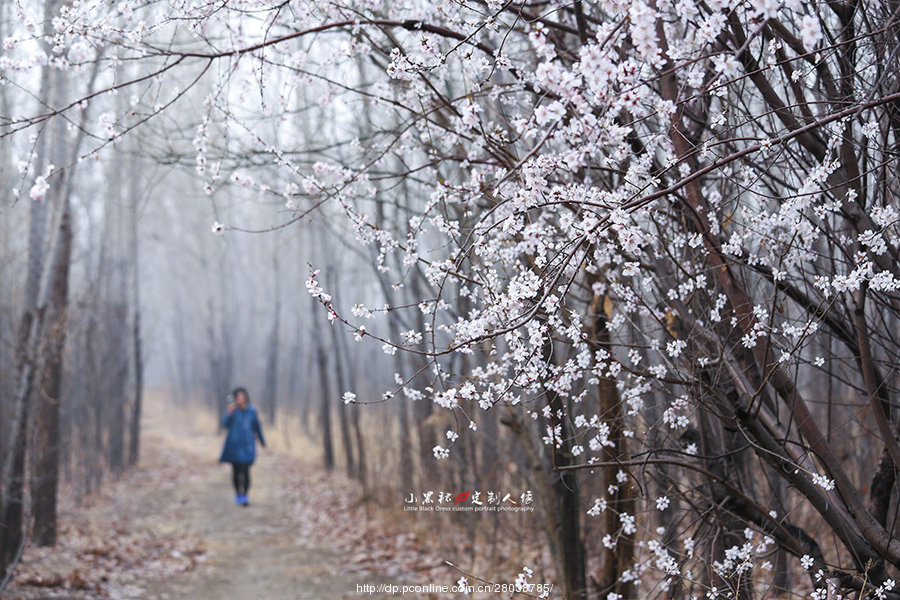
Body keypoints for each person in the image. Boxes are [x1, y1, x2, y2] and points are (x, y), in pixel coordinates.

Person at [219, 387, 266, 506]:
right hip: (234, 446)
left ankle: (244, 495)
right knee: (236, 472)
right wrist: (229, 414)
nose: (240, 399)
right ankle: (238, 494)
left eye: (242, 396)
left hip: (247, 446)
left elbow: (257, 426)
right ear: (235, 398)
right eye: (237, 397)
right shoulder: (232, 410)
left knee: (245, 471)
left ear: (245, 397)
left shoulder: (252, 410)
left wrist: (262, 441)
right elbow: (225, 425)